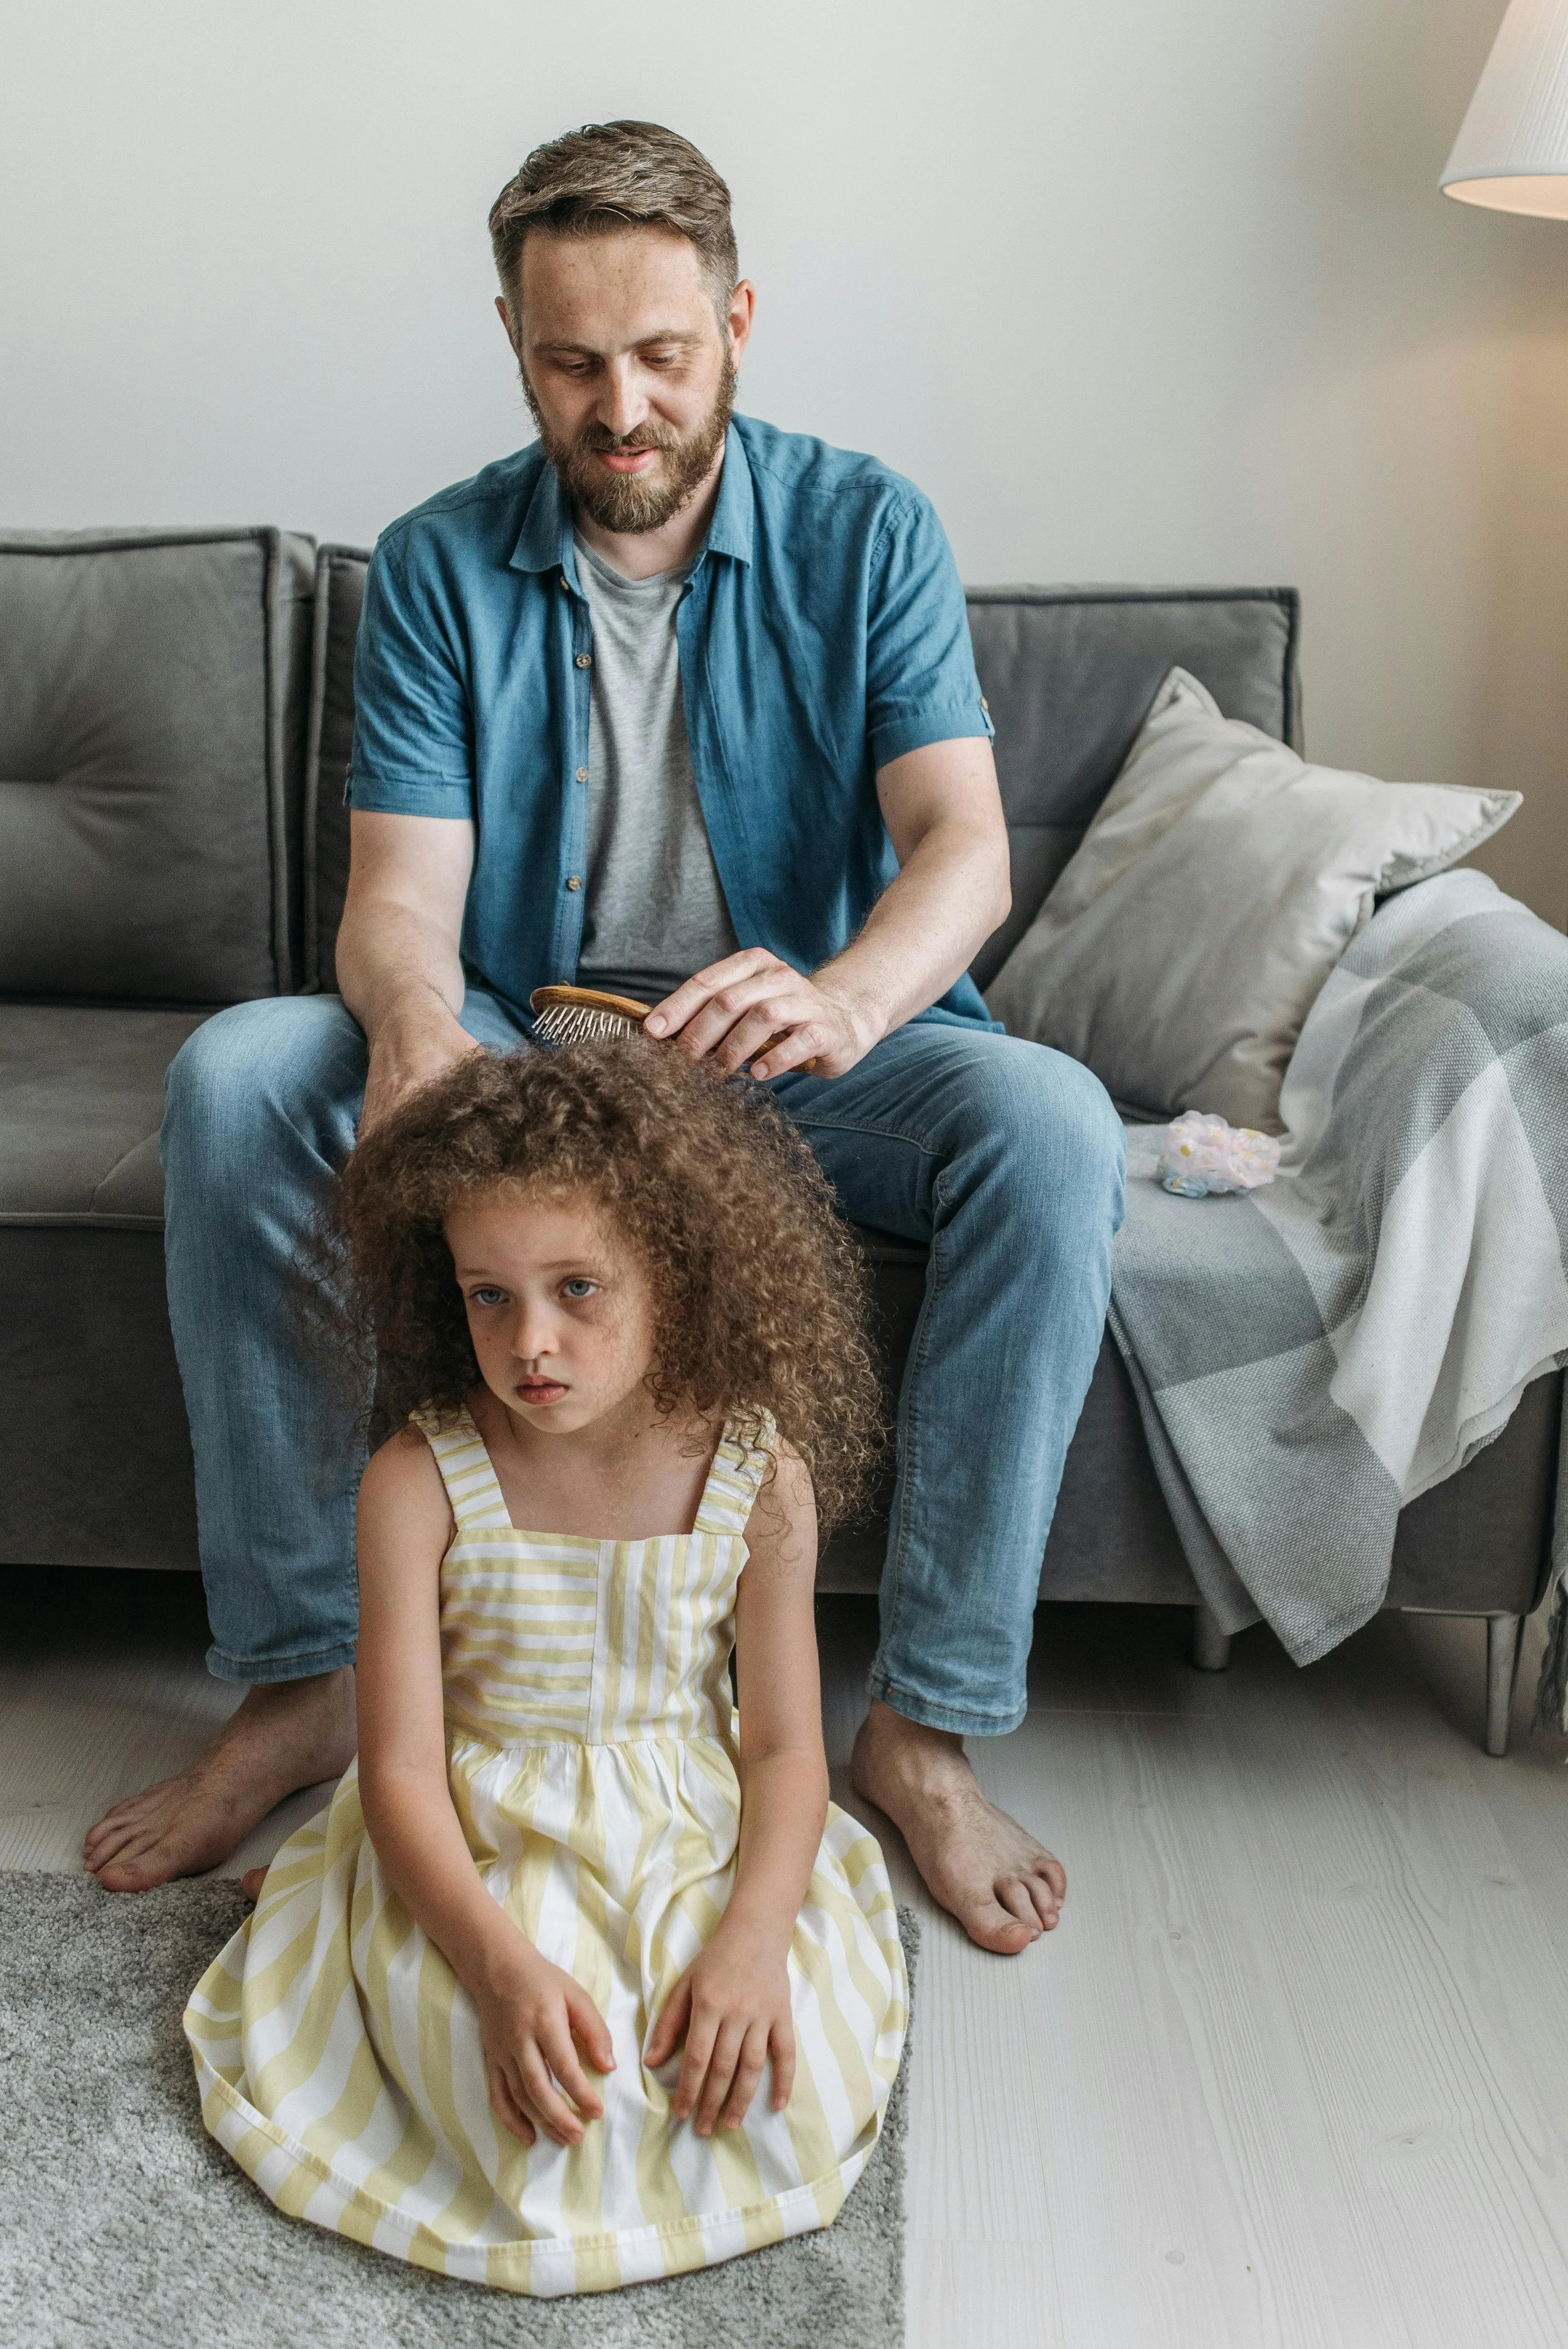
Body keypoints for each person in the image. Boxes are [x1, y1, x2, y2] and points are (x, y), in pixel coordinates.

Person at [86, 119, 1126, 1953]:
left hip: (792, 1049)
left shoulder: (869, 524)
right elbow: (401, 902)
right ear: (514, 340)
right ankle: (300, 1681)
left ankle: (930, 1734)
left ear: (735, 321)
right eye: (572, 362)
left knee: (1046, 1127)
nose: (619, 405)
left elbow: (963, 849)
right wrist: (416, 1032)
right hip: (525, 1046)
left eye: (660, 355)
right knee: (239, 1075)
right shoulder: (433, 561)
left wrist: (844, 992)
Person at [184, 1042, 907, 2294]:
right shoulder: (419, 1481)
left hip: (684, 1825)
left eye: (579, 1288)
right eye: (487, 1296)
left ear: (679, 1276)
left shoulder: (752, 1473)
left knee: (724, 2066)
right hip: (477, 1831)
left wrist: (748, 1938)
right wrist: (497, 1965)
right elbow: (401, 1766)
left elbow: (786, 1748)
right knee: (498, 2070)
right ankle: (367, 1927)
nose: (531, 1344)